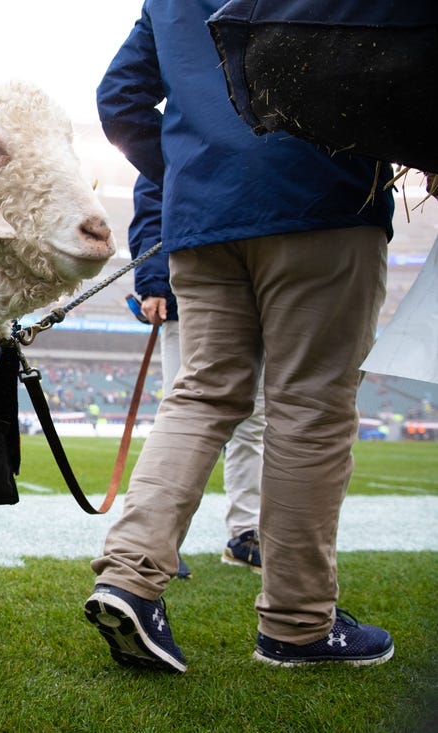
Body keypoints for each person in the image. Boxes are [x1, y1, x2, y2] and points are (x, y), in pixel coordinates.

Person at [84, 0, 395, 672]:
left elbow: (120, 97)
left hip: (205, 219)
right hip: (320, 201)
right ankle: (297, 621)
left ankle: (129, 577)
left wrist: (198, 176)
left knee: (199, 394)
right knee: (307, 406)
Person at [129, 175, 263, 577]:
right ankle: (157, 539)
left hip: (257, 283)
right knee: (185, 414)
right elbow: (154, 202)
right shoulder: (185, 124)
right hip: (194, 289)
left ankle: (245, 532)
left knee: (254, 419)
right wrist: (153, 282)